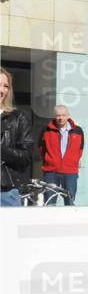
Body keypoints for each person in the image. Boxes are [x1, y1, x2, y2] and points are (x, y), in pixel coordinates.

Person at [36, 105, 84, 205]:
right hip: (51, 171)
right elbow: (41, 148)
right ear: (54, 116)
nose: (60, 118)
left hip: (70, 172)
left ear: (68, 116)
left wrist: (73, 161)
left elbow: (80, 149)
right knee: (50, 202)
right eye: (58, 115)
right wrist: (49, 161)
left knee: (69, 201)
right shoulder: (46, 130)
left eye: (63, 115)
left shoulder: (78, 131)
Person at [0, 67, 32, 207]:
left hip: (5, 191)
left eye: (6, 86)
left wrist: (1, 150)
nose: (2, 90)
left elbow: (26, 157)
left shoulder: (19, 117)